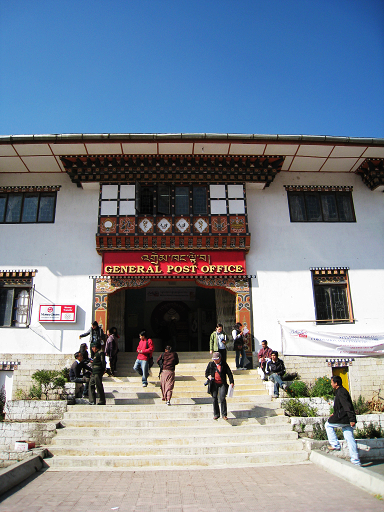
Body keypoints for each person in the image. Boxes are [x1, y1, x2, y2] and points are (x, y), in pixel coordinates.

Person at [325, 375, 361, 466]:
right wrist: (335, 413)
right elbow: (340, 405)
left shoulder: (341, 392)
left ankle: (335, 445)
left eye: (332, 382)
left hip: (344, 417)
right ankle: (355, 461)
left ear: (336, 383)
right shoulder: (340, 391)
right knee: (350, 438)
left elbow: (347, 405)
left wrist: (352, 418)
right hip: (345, 418)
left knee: (328, 425)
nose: (331, 384)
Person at [205, 352, 234, 420]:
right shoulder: (211, 364)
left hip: (222, 383)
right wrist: (208, 376)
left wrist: (231, 382)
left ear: (220, 358)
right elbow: (206, 373)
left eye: (216, 359)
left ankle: (224, 414)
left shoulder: (224, 364)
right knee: (214, 398)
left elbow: (229, 373)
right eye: (214, 359)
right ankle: (216, 414)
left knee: (222, 397)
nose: (215, 361)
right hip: (214, 383)